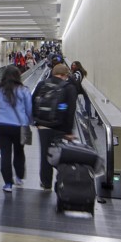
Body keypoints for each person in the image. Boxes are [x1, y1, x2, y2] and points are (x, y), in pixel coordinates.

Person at [32, 63, 78, 191]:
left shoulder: (42, 84)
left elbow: (33, 101)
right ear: (64, 75)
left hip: (43, 127)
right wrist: (69, 131)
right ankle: (61, 182)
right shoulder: (69, 87)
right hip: (61, 128)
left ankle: (46, 184)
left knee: (45, 155)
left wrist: (37, 122)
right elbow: (70, 111)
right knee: (61, 155)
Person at [0, 66, 32, 192]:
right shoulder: (24, 90)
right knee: (19, 151)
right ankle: (19, 177)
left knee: (5, 153)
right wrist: (30, 122)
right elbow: (29, 109)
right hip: (19, 125)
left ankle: (8, 183)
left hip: (1, 125)